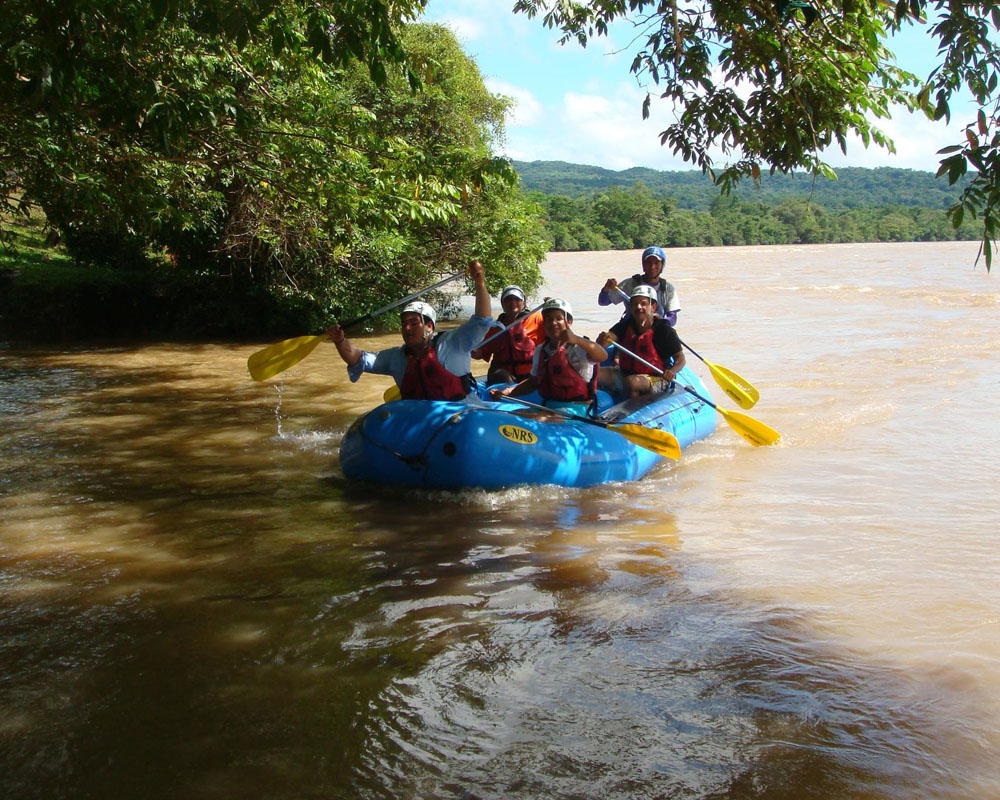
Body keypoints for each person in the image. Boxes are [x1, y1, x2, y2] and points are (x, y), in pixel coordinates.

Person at [327, 260, 492, 400]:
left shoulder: (453, 343)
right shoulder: (396, 357)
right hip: (418, 420)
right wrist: (340, 340)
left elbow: (482, 321)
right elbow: (358, 359)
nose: (407, 328)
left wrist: (480, 283)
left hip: (460, 416)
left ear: (429, 327)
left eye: (414, 323)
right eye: (404, 323)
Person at [491, 298, 607, 411]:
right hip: (549, 406)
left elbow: (602, 356)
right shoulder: (541, 350)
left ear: (569, 322)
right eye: (548, 319)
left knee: (537, 418)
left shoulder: (578, 348)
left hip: (577, 408)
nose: (553, 323)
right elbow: (532, 382)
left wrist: (576, 339)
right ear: (544, 323)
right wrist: (507, 392)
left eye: (558, 319)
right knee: (516, 415)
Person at [597, 285, 686, 400]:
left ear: (653, 307)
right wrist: (601, 341)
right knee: (593, 373)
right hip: (625, 374)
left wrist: (672, 371)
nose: (639, 307)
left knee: (633, 382)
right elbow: (606, 342)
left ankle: (630, 411)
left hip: (656, 379)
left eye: (643, 303)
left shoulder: (664, 330)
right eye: (634, 304)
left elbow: (681, 358)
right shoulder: (625, 325)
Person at [598, 245, 681, 326]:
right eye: (649, 263)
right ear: (643, 265)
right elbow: (603, 302)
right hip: (630, 327)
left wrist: (661, 321)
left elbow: (672, 318)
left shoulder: (667, 288)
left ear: (662, 265)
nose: (652, 267)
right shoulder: (630, 283)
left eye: (656, 263)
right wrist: (606, 289)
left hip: (657, 328)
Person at [472, 285, 537, 385]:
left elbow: (558, 334)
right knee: (501, 375)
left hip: (529, 376)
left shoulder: (537, 320)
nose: (512, 303)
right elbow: (480, 354)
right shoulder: (494, 328)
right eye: (508, 300)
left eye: (517, 299)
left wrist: (552, 308)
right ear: (502, 303)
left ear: (523, 303)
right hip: (502, 376)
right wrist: (472, 351)